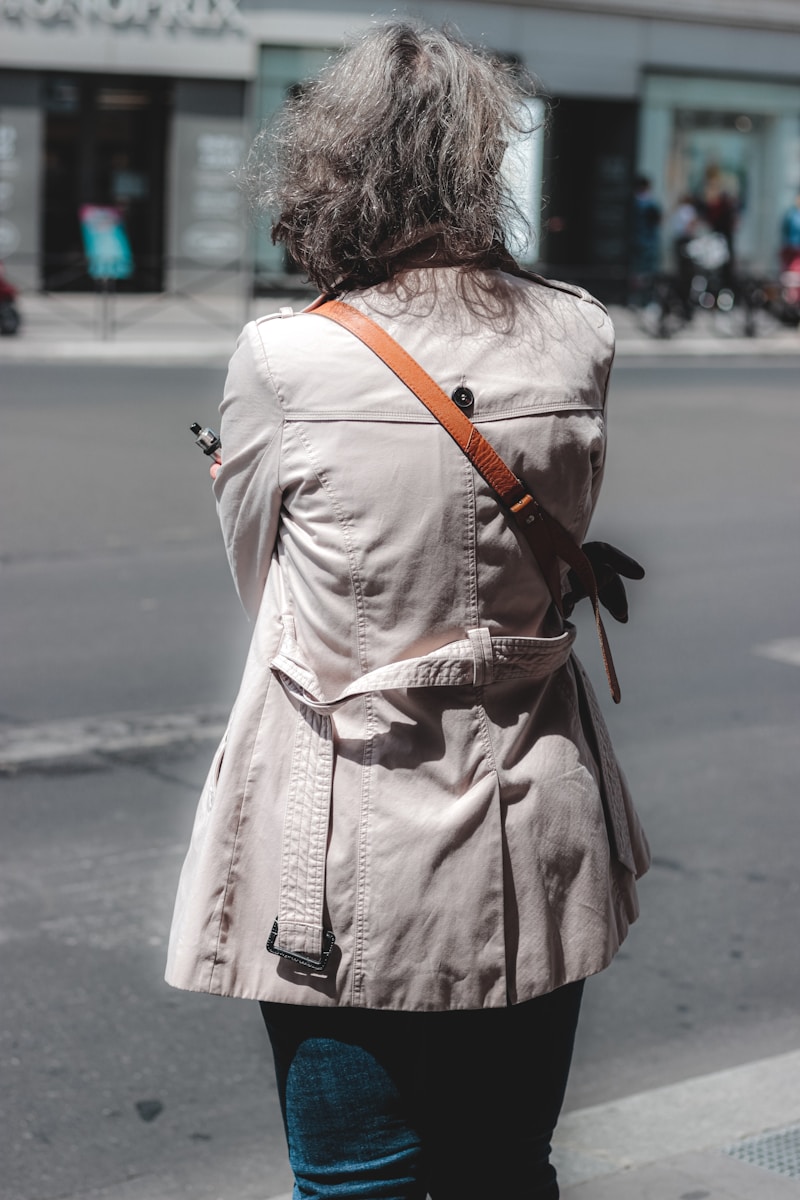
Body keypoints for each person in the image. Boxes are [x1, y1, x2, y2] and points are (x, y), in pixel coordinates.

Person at [166, 23, 650, 1200]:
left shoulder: (287, 358)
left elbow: (263, 588)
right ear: (478, 167)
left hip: (340, 840)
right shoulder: (576, 329)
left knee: (354, 1178)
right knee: (502, 1165)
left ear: (327, 168)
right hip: (529, 810)